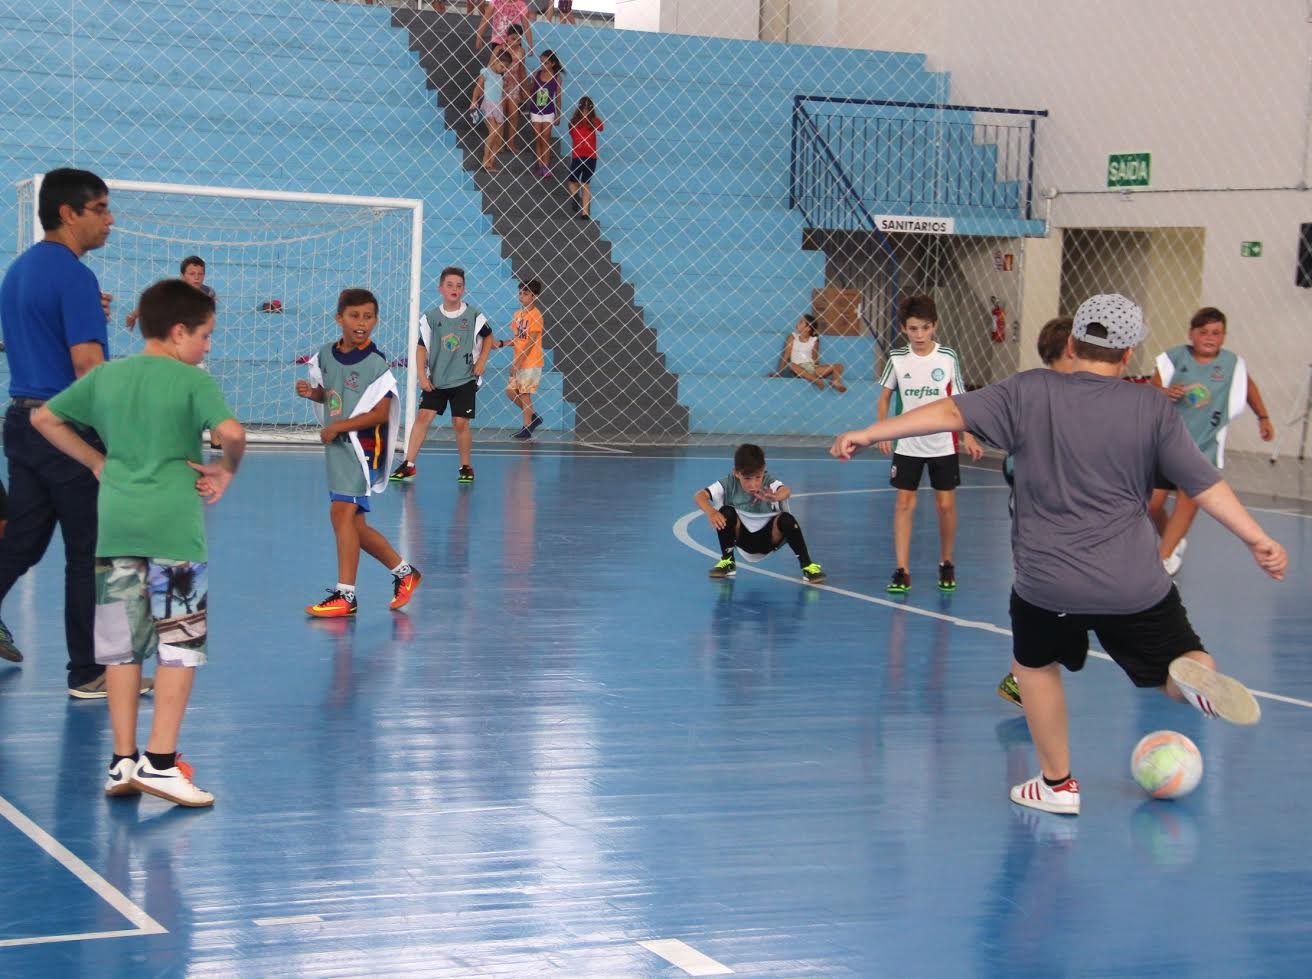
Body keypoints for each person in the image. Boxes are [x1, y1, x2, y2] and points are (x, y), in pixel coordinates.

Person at [832, 294, 1287, 816]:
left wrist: (870, 432)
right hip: (1133, 582)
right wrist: (1257, 538)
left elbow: (950, 412)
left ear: (1071, 343)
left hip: (1049, 584)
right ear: (1129, 353)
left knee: (1035, 666)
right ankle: (1191, 675)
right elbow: (1203, 484)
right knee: (1181, 654)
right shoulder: (1152, 408)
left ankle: (1057, 785)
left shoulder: (1029, 390)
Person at [32, 278, 247, 806]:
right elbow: (233, 434)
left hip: (117, 530)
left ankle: (123, 762)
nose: (208, 346)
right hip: (175, 534)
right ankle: (161, 763)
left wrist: (96, 461)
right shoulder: (192, 380)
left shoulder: (107, 376)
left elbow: (44, 417)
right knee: (179, 646)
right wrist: (226, 469)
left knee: (121, 649)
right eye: (205, 335)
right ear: (178, 332)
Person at [0, 167, 139, 695]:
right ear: (68, 213)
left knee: (22, 543)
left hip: (22, 422)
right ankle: (89, 671)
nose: (110, 219)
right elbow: (88, 369)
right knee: (90, 552)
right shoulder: (76, 277)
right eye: (100, 209)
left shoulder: (19, 271)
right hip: (66, 429)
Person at [297, 289, 422, 618]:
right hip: (338, 448)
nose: (361, 323)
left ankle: (346, 595)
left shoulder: (376, 364)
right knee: (354, 524)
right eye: (354, 316)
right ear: (339, 318)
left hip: (362, 449)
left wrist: (339, 427)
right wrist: (313, 393)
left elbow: (381, 413)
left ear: (376, 320)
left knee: (340, 514)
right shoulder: (327, 355)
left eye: (368, 317)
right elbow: (331, 394)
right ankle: (405, 573)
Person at [1149, 307, 1274, 575]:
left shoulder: (1231, 364)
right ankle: (1173, 541)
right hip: (1165, 444)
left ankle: (1163, 560)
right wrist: (1164, 391)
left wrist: (1263, 417)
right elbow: (1152, 388)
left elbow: (1249, 388)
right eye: (1203, 332)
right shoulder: (1174, 358)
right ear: (1191, 334)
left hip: (1202, 447)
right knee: (1151, 505)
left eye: (1216, 333)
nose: (1209, 337)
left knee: (1188, 501)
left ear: (1224, 337)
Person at [875, 294, 982, 594]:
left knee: (945, 505)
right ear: (903, 328)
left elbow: (959, 399)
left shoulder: (947, 357)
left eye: (925, 328)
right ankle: (902, 569)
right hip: (908, 445)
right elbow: (884, 399)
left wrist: (968, 434)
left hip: (942, 444)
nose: (919, 335)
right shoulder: (897, 359)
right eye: (913, 329)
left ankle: (947, 562)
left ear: (934, 325)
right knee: (903, 503)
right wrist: (883, 431)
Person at [994, 316, 1074, 709]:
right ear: (1072, 350)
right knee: (1050, 602)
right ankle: (1022, 676)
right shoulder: (1042, 397)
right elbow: (1013, 464)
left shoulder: (1054, 395)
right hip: (1042, 524)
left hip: (1046, 523)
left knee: (1052, 604)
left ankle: (1021, 675)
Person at [390, 267, 494, 484]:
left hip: (464, 378)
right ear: (440, 289)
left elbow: (488, 336)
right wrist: (422, 376)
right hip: (436, 379)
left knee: (460, 422)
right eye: (450, 285)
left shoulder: (473, 315)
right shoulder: (431, 317)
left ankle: (465, 466)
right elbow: (421, 348)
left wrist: (482, 361)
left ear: (463, 289)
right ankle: (409, 465)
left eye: (459, 285)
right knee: (423, 417)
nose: (454, 289)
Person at [695, 443, 827, 584]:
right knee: (725, 512)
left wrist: (775, 496)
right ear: (736, 473)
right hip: (742, 537)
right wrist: (711, 512)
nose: (753, 484)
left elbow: (786, 491)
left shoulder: (768, 481)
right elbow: (700, 496)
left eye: (758, 477)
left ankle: (807, 565)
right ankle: (728, 561)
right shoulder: (729, 483)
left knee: (787, 519)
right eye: (747, 478)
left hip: (769, 538)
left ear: (763, 470)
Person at [493, 279, 545, 439]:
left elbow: (530, 342)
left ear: (534, 296)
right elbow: (518, 339)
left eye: (526, 293)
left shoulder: (536, 315)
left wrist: (517, 364)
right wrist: (501, 343)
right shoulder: (518, 315)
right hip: (520, 361)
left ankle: (527, 427)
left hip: (530, 362)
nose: (521, 296)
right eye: (520, 293)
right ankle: (533, 417)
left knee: (524, 394)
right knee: (510, 392)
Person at [126, 256, 215, 332]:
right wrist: (133, 315)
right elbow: (150, 302)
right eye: (192, 274)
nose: (197, 277)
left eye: (200, 274)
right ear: (182, 276)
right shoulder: (172, 291)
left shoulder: (208, 293)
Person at [769, 313, 847, 391]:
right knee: (791, 365)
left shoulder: (814, 340)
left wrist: (820, 369)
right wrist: (779, 373)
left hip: (811, 368)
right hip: (797, 369)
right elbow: (786, 356)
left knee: (838, 366)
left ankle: (836, 382)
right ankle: (815, 380)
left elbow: (815, 359)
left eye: (801, 322)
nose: (797, 323)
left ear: (808, 328)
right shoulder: (792, 337)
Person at [470, 50, 508, 172]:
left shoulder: (500, 76)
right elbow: (478, 87)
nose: (504, 69)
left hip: (498, 107)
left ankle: (491, 162)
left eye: (506, 68)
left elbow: (500, 92)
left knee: (497, 138)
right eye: (502, 66)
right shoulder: (486, 72)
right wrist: (474, 100)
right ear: (496, 61)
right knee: (494, 131)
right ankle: (485, 160)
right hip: (487, 106)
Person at [566, 97, 604, 220]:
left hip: (581, 156)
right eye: (585, 108)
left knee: (575, 182)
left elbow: (572, 133)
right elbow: (601, 127)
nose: (585, 110)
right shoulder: (591, 121)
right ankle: (584, 210)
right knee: (583, 183)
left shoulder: (575, 121)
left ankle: (576, 198)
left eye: (587, 108)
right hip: (588, 157)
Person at [527, 50, 563, 178]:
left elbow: (558, 98)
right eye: (541, 62)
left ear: (553, 64)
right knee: (538, 137)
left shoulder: (557, 77)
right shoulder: (537, 74)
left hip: (549, 111)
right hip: (535, 110)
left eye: (546, 63)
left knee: (546, 137)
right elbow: (531, 91)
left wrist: (558, 114)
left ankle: (546, 166)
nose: (543, 65)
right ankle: (540, 165)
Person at [500, 24, 529, 154]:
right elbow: (491, 67)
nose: (516, 42)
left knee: (513, 115)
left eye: (519, 39)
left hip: (514, 85)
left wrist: (524, 88)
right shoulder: (501, 49)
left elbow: (522, 70)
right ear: (507, 37)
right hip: (500, 84)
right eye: (513, 38)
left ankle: (510, 143)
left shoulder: (521, 51)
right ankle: (499, 142)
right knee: (500, 115)